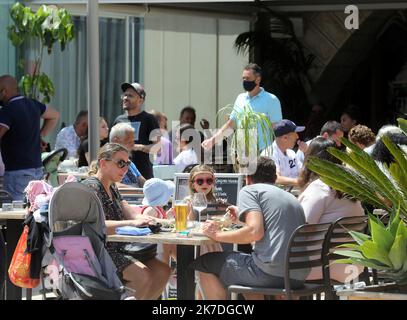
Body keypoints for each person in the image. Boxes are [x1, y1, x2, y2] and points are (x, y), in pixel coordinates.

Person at [190, 156, 307, 300]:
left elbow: (254, 232)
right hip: (299, 274)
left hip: (270, 273)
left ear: (248, 177)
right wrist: (241, 216)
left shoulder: (250, 190)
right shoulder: (291, 197)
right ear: (275, 177)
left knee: (204, 262)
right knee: (245, 268)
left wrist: (217, 235)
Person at [82, 143, 171, 299]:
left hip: (119, 249)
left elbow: (132, 214)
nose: (125, 168)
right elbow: (96, 225)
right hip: (99, 252)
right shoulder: (91, 188)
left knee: (163, 271)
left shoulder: (112, 187)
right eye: (121, 163)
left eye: (128, 163)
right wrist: (131, 223)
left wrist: (154, 220)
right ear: (103, 163)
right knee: (143, 276)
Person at [297, 137, 364, 283]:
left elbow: (301, 230)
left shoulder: (319, 188)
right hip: (352, 266)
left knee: (272, 268)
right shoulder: (350, 187)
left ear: (310, 161)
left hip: (321, 267)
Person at [0, 75, 60, 200]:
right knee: (32, 211)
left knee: (15, 214)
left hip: (17, 173)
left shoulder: (8, 110)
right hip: (37, 169)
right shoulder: (33, 104)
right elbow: (54, 115)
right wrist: (40, 134)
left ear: (4, 92)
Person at [202, 63, 282, 153]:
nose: (245, 81)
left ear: (258, 79)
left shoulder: (271, 100)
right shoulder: (240, 98)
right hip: (242, 154)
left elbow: (277, 130)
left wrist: (279, 154)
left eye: (247, 78)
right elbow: (230, 125)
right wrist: (212, 141)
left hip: (263, 153)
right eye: (243, 78)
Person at [113, 82, 160, 179]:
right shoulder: (118, 120)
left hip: (143, 175)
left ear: (140, 100)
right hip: (120, 176)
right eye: (125, 95)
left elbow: (158, 147)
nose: (125, 98)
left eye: (130, 95)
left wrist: (137, 147)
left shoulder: (149, 119)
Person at [140, 178, 176, 265]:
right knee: (166, 257)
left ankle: (182, 267)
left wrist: (168, 216)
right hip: (154, 245)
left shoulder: (158, 208)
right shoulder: (150, 209)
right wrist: (170, 222)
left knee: (175, 247)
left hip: (162, 241)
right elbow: (149, 223)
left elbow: (159, 221)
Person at [261, 119, 305, 186]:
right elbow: (275, 178)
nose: (297, 136)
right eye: (295, 133)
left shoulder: (291, 153)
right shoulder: (269, 153)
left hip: (291, 192)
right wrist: (299, 182)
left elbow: (303, 172)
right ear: (285, 138)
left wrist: (306, 152)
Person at [109, 123, 146, 188]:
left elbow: (142, 181)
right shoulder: (108, 161)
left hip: (138, 196)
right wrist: (136, 191)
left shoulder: (129, 162)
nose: (133, 145)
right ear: (116, 141)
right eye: (129, 142)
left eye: (133, 141)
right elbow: (111, 184)